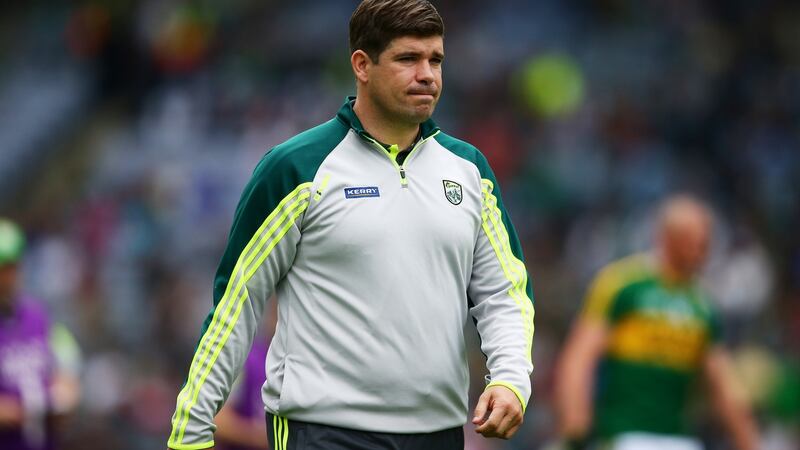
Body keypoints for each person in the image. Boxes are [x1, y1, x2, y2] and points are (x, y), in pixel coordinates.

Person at [166, 1, 535, 449]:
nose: (428, 75)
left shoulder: (468, 170)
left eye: (435, 59)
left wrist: (511, 379)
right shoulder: (296, 168)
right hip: (323, 430)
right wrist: (191, 432)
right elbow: (237, 304)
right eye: (407, 59)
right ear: (362, 64)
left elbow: (504, 292)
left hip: (437, 433)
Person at [554, 196, 760, 450]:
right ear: (667, 237)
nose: (701, 252)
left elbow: (723, 386)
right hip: (623, 436)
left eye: (704, 243)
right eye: (693, 241)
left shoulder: (702, 305)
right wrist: (575, 426)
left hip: (678, 440)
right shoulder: (624, 286)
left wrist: (748, 441)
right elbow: (579, 359)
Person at [0, 219, 82, 450]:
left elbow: (67, 364)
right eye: (3, 269)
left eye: (13, 266)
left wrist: (64, 395)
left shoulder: (37, 315)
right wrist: (29, 409)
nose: (9, 277)